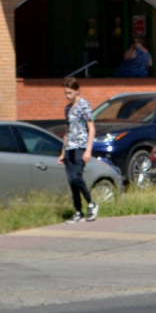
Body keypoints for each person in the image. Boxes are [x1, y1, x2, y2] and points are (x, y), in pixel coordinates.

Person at [59, 77, 98, 223]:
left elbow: (91, 128)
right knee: (71, 181)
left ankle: (91, 204)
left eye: (69, 93)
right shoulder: (68, 108)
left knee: (77, 178)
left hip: (81, 147)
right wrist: (63, 151)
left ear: (77, 91)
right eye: (65, 93)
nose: (67, 96)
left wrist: (88, 150)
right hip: (70, 147)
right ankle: (78, 211)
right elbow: (67, 130)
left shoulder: (84, 105)